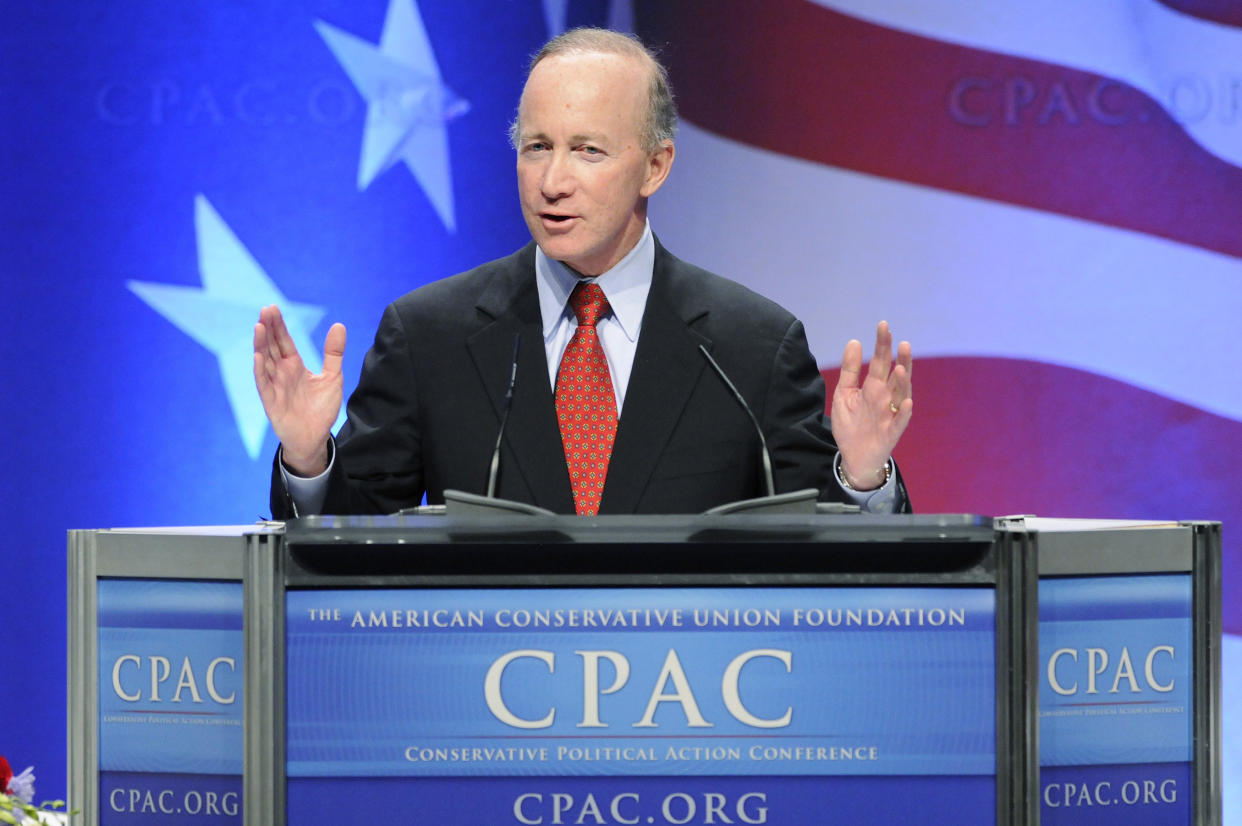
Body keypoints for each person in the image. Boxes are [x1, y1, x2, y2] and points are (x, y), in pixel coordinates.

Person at [255, 27, 913, 518]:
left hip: (688, 692)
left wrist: (859, 474)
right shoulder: (429, 336)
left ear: (656, 166)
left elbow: (820, 564)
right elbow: (355, 551)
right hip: (485, 690)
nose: (553, 181)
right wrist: (310, 458)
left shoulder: (751, 349)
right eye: (536, 147)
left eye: (587, 151)